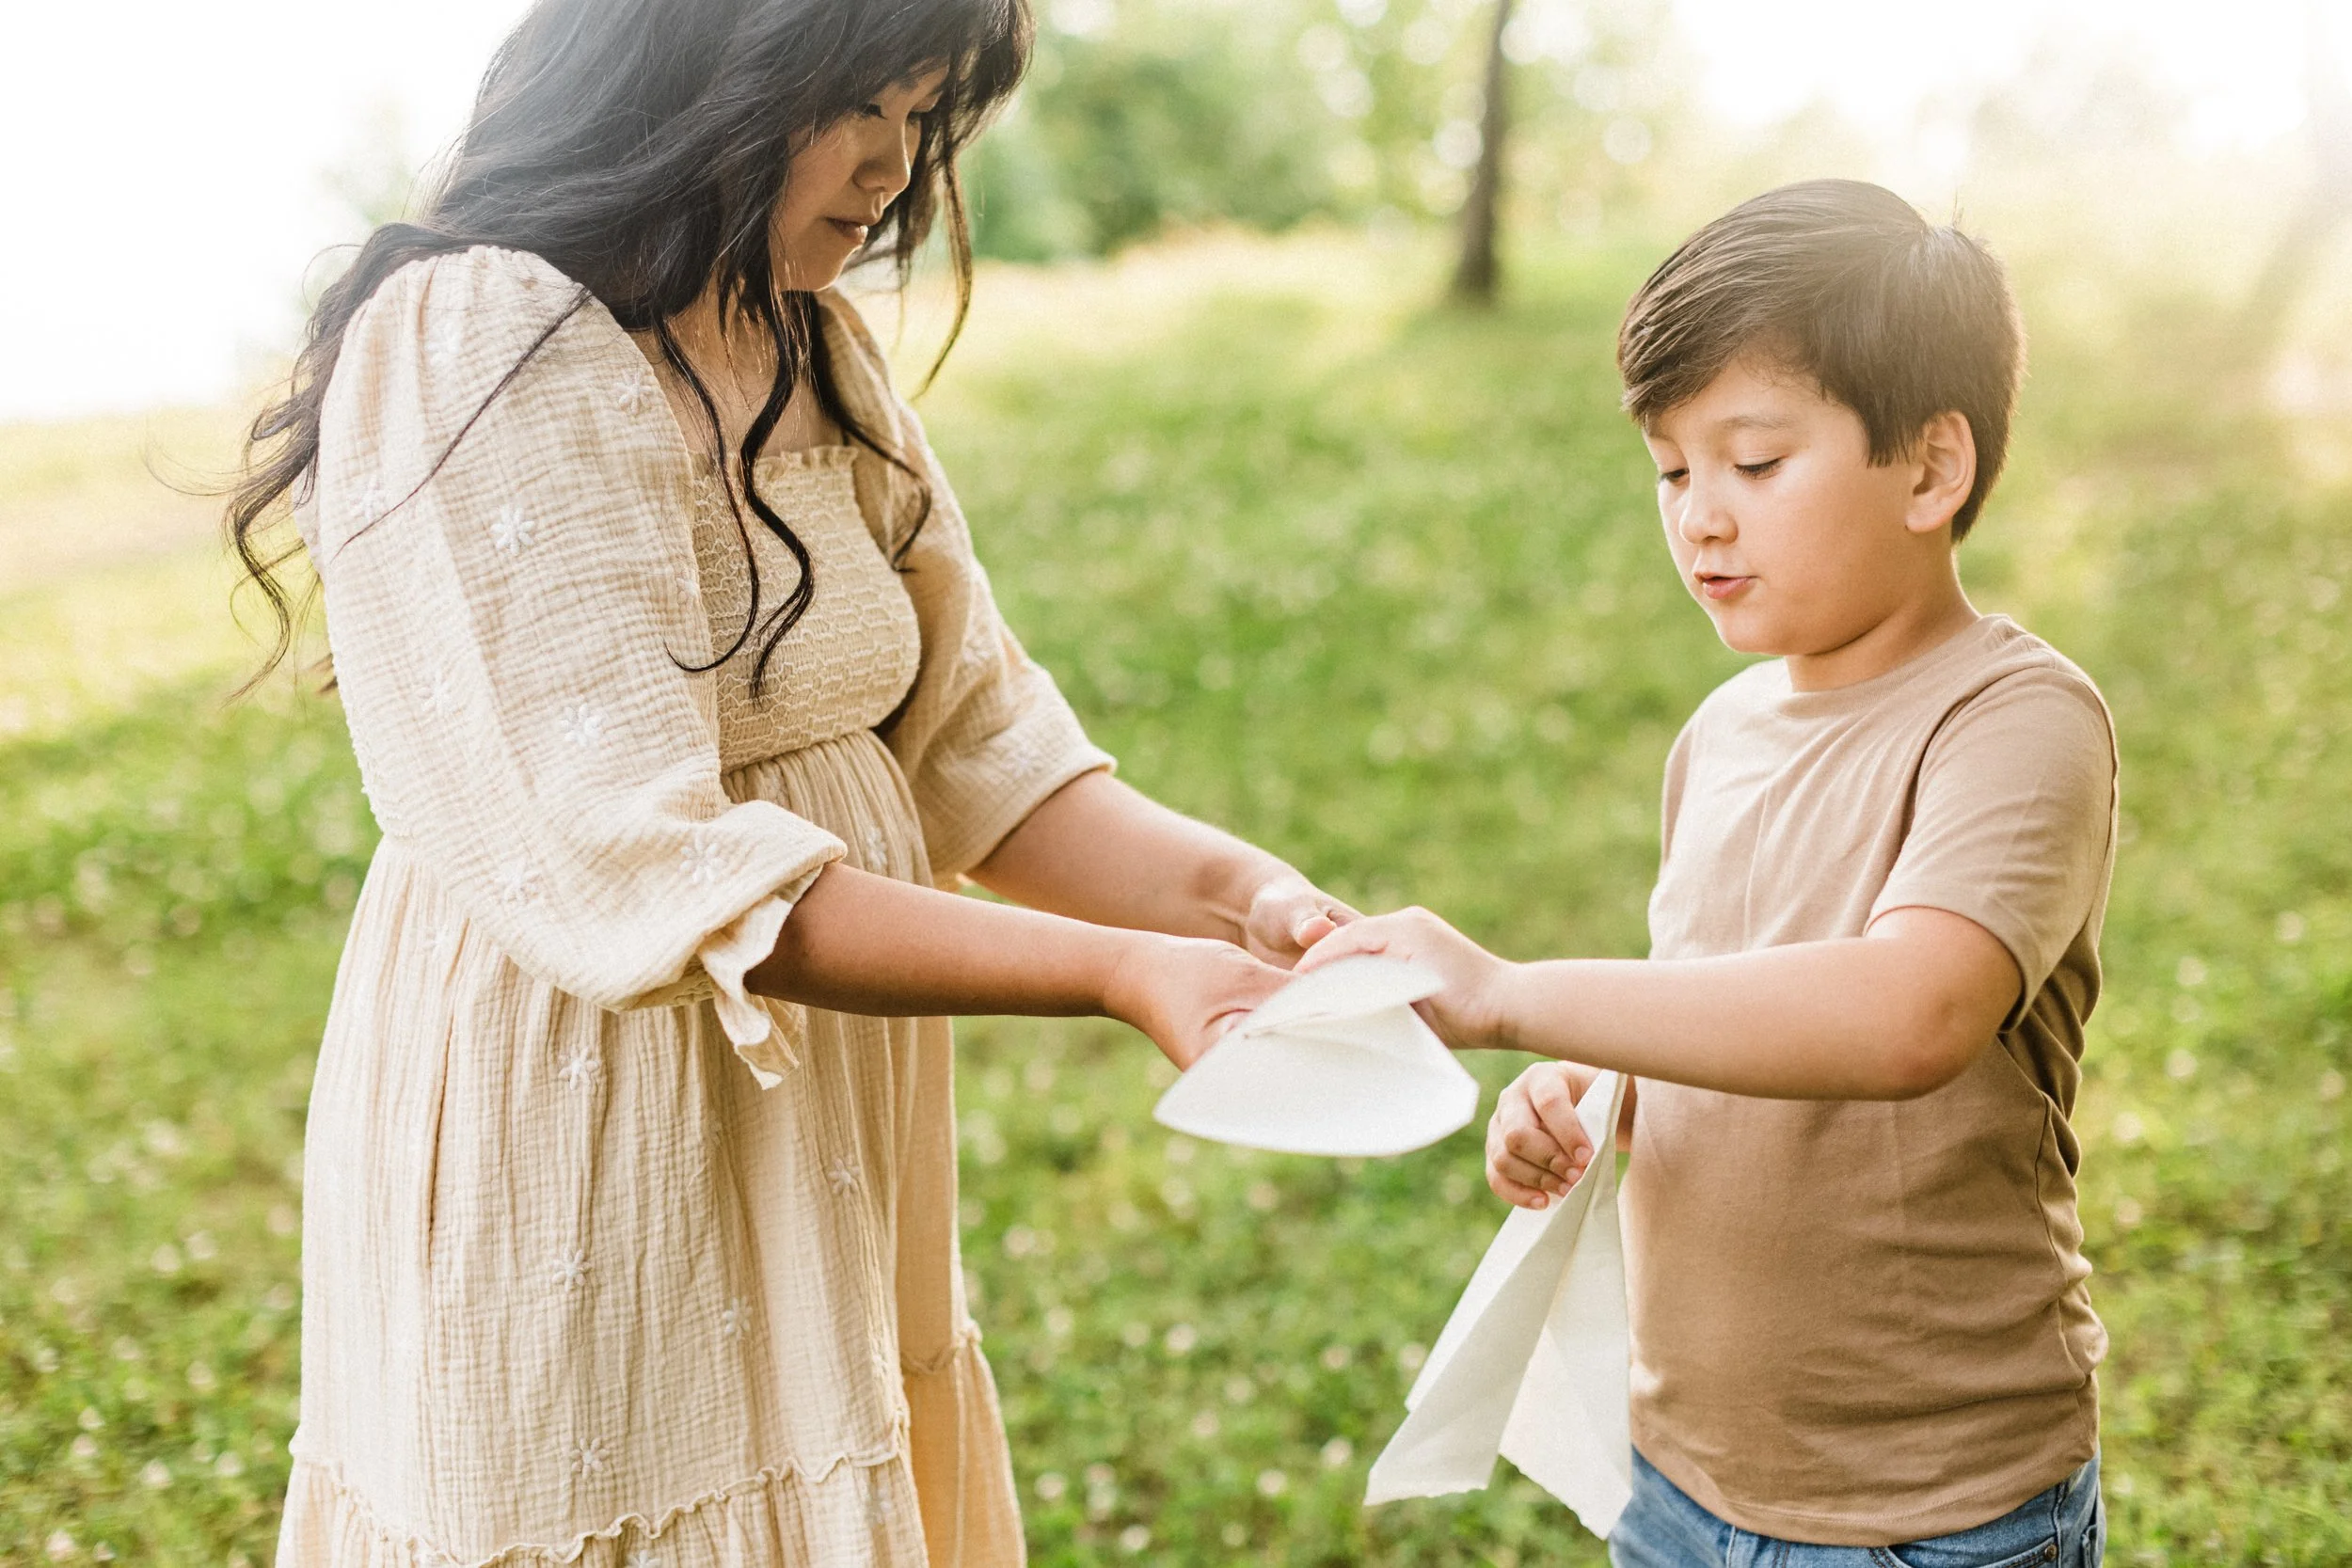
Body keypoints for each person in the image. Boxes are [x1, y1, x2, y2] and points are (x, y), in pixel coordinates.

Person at [225, 2, 1352, 1562]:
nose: (898, 161)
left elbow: (981, 749)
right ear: (704, 67)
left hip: (817, 1108)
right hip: (592, 1087)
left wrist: (1254, 902)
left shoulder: (810, 343)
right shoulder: (478, 332)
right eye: (864, 104)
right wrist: (1122, 970)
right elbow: (652, 865)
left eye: (926, 113)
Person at [1299, 181, 2115, 1565]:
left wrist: (1513, 994)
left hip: (1932, 1506)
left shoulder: (2015, 722)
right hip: (1678, 1477)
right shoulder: (1719, 735)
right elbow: (1725, 1012)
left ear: (1930, 469)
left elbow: (1904, 1014)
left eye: (1753, 462)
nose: (1700, 519)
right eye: (1674, 472)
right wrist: (1587, 1093)